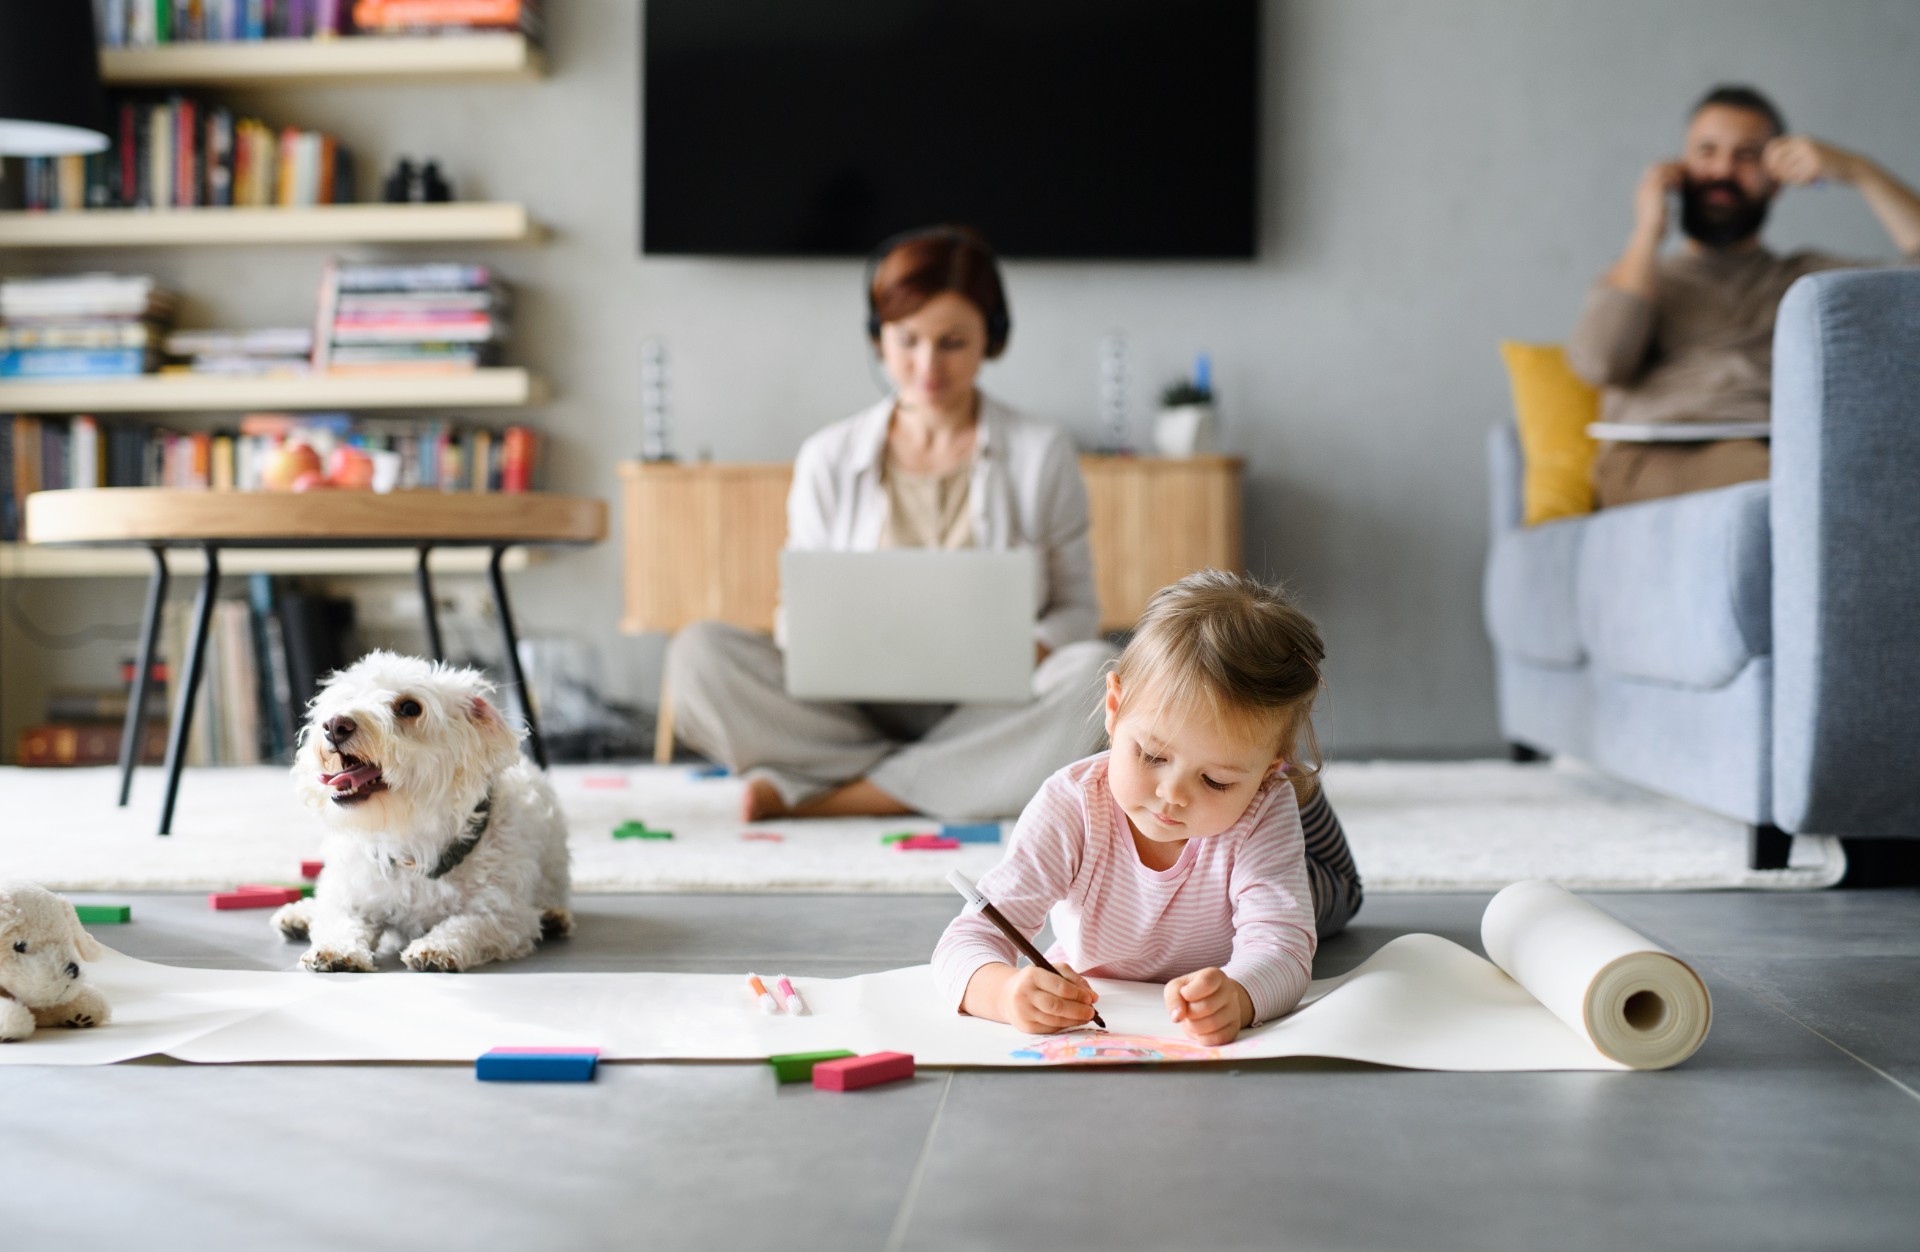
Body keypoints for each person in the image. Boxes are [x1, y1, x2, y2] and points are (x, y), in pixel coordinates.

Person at [666, 228, 1361, 938]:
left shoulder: (1040, 451)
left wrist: (1028, 648)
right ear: (879, 339)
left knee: (1091, 671)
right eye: (907, 340)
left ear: (990, 340)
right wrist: (811, 637)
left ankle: (833, 795)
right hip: (849, 705)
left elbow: (1078, 611)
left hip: (995, 707)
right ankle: (925, 783)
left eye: (952, 342)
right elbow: (797, 609)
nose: (926, 364)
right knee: (701, 654)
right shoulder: (827, 455)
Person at [931, 570, 1332, 1046]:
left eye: (1215, 780)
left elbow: (1283, 947)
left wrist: (1242, 995)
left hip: (1300, 866)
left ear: (1264, 772)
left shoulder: (1264, 805)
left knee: (1327, 888)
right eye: (1153, 756)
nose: (1172, 794)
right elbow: (963, 942)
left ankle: (1306, 794)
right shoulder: (1071, 803)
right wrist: (1004, 993)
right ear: (1115, 706)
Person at [1568, 85, 1920, 507]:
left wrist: (1859, 171)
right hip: (1650, 460)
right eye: (1706, 151)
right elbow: (1599, 362)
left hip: (1776, 448)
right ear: (1679, 170)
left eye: (1746, 155)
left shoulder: (1805, 280)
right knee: (1779, 476)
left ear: (1777, 179)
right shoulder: (1638, 276)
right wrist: (1646, 232)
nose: (1723, 170)